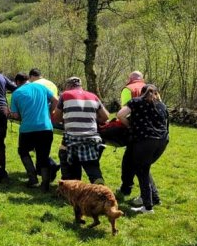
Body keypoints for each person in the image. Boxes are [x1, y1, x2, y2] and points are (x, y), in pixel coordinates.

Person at [117, 84, 169, 214]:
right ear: (157, 93)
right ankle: (154, 198)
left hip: (145, 140)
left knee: (142, 171)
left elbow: (120, 115)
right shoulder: (162, 105)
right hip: (162, 141)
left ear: (142, 93)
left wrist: (131, 126)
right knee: (145, 168)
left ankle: (147, 206)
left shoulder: (136, 102)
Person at [53, 77, 109, 185]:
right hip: (91, 138)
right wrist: (92, 119)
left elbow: (56, 118)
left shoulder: (65, 95)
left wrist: (66, 119)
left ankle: (70, 182)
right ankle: (97, 180)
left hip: (72, 138)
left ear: (68, 86)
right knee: (92, 165)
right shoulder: (93, 96)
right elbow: (105, 116)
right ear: (80, 86)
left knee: (64, 154)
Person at [10, 73, 59, 191]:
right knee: (43, 155)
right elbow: (56, 101)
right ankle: (45, 185)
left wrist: (15, 114)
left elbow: (15, 115)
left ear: (17, 82)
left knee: (23, 151)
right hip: (46, 127)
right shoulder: (41, 87)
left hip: (28, 128)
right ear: (28, 79)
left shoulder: (16, 93)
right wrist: (49, 112)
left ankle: (32, 179)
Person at [117, 71, 147, 197]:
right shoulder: (150, 88)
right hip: (153, 130)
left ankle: (126, 187)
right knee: (143, 163)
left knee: (128, 160)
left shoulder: (128, 89)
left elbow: (124, 112)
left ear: (130, 78)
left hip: (136, 129)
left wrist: (128, 126)